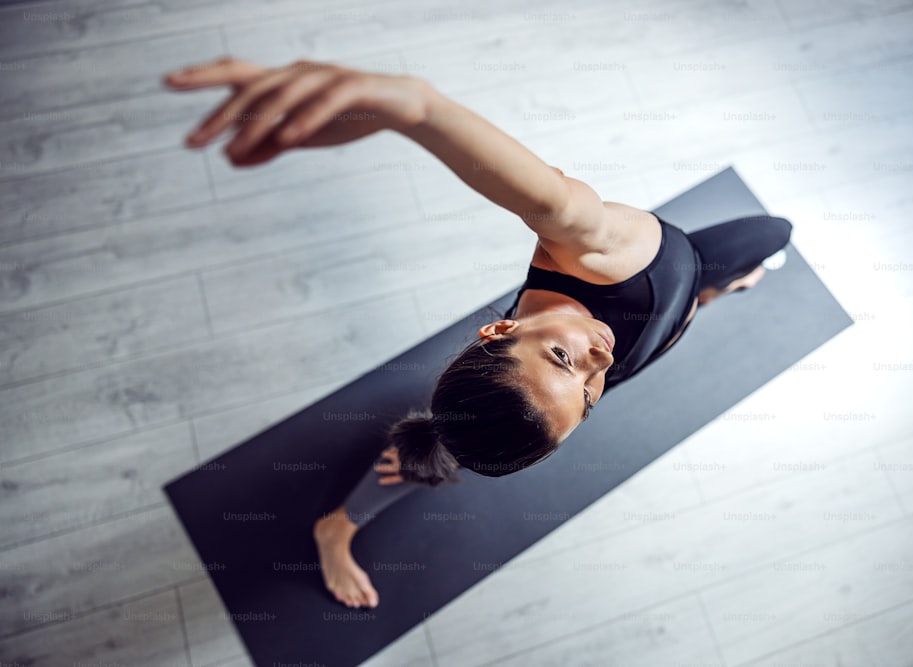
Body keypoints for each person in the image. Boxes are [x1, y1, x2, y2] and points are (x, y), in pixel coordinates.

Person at [164, 57, 792, 609]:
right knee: (454, 447)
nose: (601, 356)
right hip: (676, 296)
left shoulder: (594, 249)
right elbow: (597, 365)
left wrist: (417, 109)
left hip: (678, 278)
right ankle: (338, 526)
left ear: (500, 330)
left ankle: (713, 292)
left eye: (560, 357)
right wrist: (605, 369)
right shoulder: (599, 366)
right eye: (588, 392)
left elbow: (549, 198)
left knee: (772, 234)